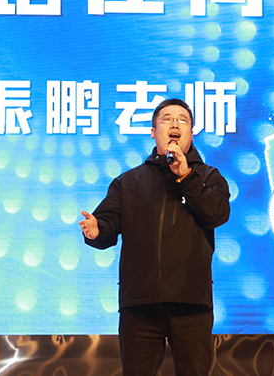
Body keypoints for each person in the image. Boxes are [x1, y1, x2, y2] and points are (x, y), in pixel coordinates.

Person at [79, 98, 230, 376]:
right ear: (152, 132)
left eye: (182, 120)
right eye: (166, 119)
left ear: (191, 133)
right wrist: (97, 231)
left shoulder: (208, 177)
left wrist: (186, 176)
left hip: (190, 302)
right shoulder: (128, 182)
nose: (174, 124)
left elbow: (217, 214)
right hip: (140, 305)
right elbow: (107, 225)